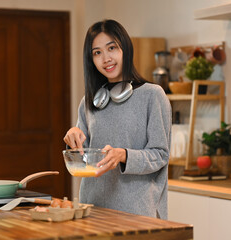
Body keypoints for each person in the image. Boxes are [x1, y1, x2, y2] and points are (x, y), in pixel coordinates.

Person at [63, 19, 171, 219]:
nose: (106, 59)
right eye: (97, 52)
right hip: (92, 209)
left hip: (137, 212)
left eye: (111, 48)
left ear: (125, 48)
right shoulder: (89, 102)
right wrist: (73, 137)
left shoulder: (153, 95)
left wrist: (124, 155)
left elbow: (160, 155)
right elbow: (82, 157)